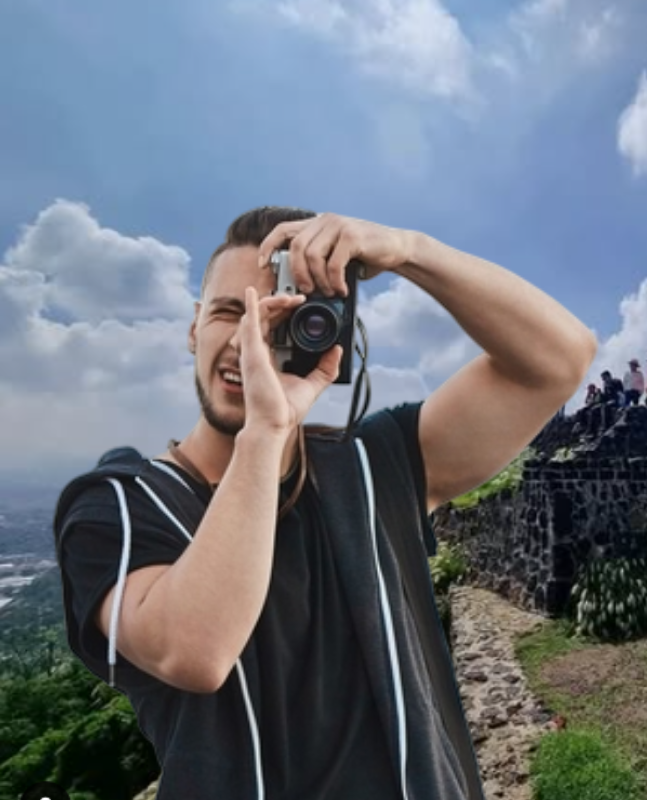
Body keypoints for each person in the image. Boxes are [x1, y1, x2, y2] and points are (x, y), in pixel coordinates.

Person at [52, 207, 596, 800]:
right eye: (231, 312)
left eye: (276, 318)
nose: (247, 342)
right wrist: (266, 431)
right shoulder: (121, 505)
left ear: (326, 329)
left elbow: (558, 361)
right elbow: (195, 651)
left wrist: (408, 249)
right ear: (193, 327)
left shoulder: (372, 465)